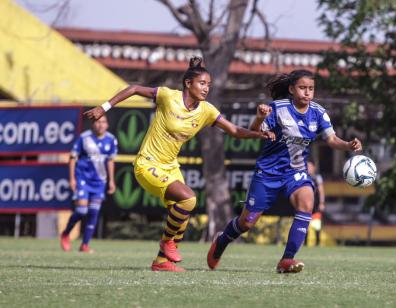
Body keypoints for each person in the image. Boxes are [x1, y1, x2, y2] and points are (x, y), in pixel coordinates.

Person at [84, 57, 273, 272]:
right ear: (188, 83)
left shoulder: (206, 110)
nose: (206, 88)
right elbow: (134, 88)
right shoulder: (167, 96)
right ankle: (166, 243)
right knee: (189, 199)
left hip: (170, 166)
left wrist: (260, 133)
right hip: (147, 164)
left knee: (182, 211)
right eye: (202, 83)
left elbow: (234, 131)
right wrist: (104, 107)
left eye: (209, 85)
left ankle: (161, 262)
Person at [207, 69, 362, 273]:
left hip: (295, 172)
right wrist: (260, 118)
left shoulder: (318, 112)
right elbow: (256, 131)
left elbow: (331, 139)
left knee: (307, 202)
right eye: (302, 88)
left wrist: (348, 145)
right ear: (291, 89)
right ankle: (221, 241)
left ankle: (287, 260)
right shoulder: (277, 108)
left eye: (311, 89)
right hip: (268, 173)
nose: (307, 93)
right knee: (247, 222)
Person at [60, 115, 117, 253]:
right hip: (83, 179)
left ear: (107, 125)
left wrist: (111, 181)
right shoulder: (84, 138)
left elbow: (110, 161)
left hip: (99, 182)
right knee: (81, 211)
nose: (100, 125)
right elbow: (73, 157)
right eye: (98, 122)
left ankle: (84, 245)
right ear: (93, 124)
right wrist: (72, 178)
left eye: (103, 122)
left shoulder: (111, 139)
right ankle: (66, 233)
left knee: (93, 212)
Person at [306, 161, 325, 247]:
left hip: (315, 206)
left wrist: (322, 203)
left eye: (310, 166)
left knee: (316, 225)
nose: (308, 168)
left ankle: (317, 243)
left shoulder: (317, 178)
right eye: (307, 166)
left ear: (314, 168)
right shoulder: (304, 177)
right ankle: (304, 244)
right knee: (304, 226)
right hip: (305, 206)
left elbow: (321, 191)